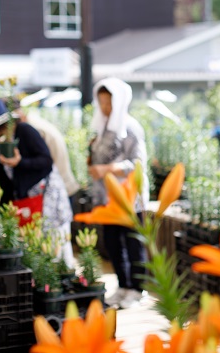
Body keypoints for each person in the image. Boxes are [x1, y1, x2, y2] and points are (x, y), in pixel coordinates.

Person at [0, 98, 74, 267]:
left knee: (55, 244)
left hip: (48, 199)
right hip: (31, 202)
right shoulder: (4, 141)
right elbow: (1, 175)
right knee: (38, 246)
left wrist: (20, 163)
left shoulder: (25, 131)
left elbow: (46, 161)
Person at [88, 77, 149, 309]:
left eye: (109, 102)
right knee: (113, 244)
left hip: (128, 198)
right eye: (102, 102)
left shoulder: (130, 127)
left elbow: (137, 163)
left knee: (133, 244)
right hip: (107, 198)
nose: (105, 108)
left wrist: (106, 168)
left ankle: (137, 289)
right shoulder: (102, 126)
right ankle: (123, 286)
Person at [15, 102, 81, 198]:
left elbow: (45, 160)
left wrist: (20, 162)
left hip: (60, 188)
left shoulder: (32, 129)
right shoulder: (34, 122)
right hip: (63, 184)